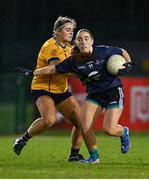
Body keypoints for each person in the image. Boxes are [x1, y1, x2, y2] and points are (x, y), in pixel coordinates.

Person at [16, 29, 133, 164]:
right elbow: (54, 69)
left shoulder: (103, 51)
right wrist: (33, 73)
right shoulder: (73, 61)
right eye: (80, 39)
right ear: (76, 42)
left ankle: (123, 132)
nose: (83, 42)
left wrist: (128, 63)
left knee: (109, 129)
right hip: (94, 95)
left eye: (86, 39)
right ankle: (94, 157)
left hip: (112, 91)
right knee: (84, 126)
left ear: (92, 41)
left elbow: (122, 51)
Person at [13, 16, 84, 162]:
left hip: (61, 89)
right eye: (67, 30)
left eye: (72, 30)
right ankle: (23, 139)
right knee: (49, 120)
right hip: (42, 88)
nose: (71, 33)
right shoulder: (50, 46)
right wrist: (81, 74)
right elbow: (58, 69)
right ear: (58, 31)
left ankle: (74, 154)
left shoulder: (71, 48)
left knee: (81, 122)